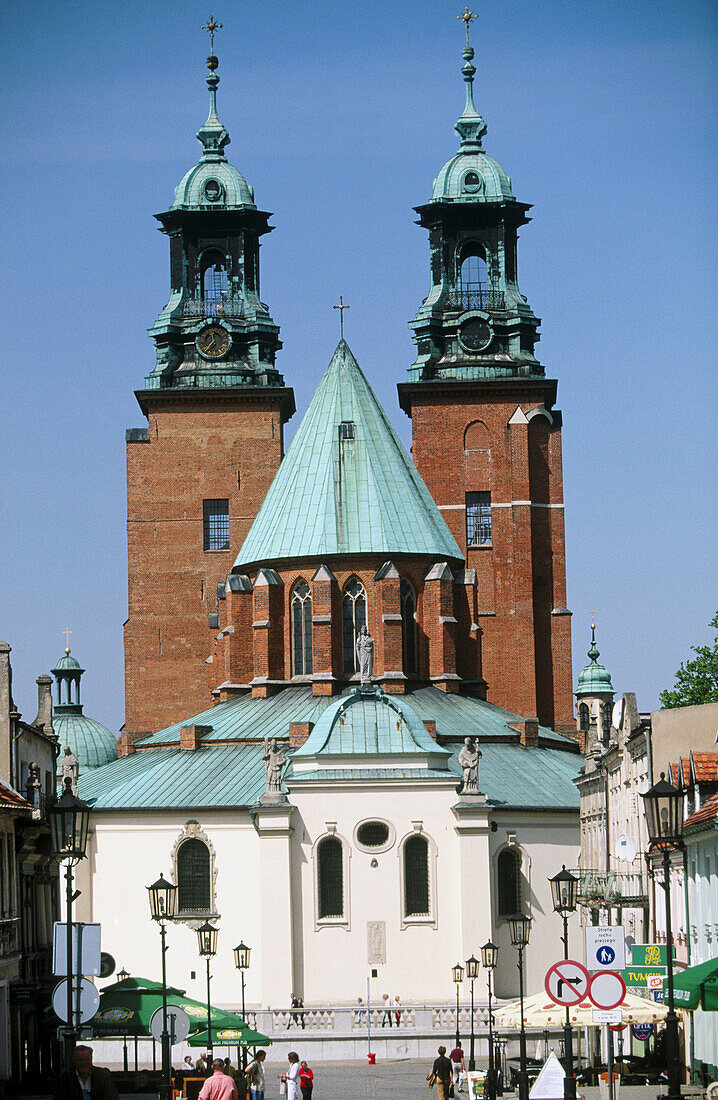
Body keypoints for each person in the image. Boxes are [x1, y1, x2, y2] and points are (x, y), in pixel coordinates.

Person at [53, 1046, 119, 1100]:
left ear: (91, 1059)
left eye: (87, 1059)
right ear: (74, 1061)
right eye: (80, 1060)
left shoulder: (103, 1076)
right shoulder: (66, 1077)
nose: (84, 1063)